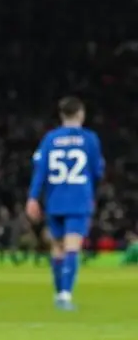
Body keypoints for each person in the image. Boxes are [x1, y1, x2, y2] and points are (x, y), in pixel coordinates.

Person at [25, 96, 104, 310]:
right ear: (81, 114)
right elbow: (98, 171)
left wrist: (33, 197)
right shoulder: (90, 139)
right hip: (78, 199)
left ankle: (59, 292)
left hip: (54, 200)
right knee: (72, 248)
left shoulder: (50, 139)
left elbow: (39, 171)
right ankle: (65, 295)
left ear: (61, 115)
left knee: (57, 248)